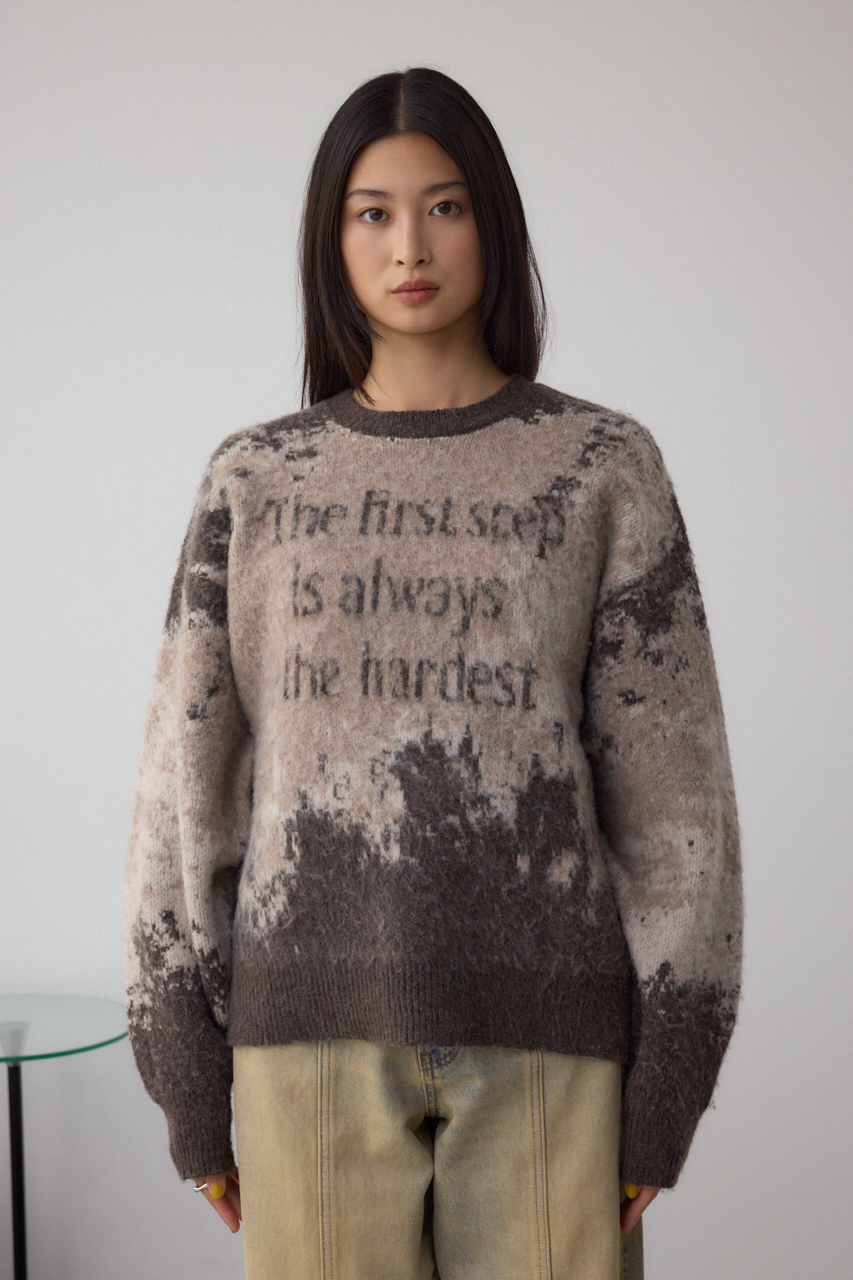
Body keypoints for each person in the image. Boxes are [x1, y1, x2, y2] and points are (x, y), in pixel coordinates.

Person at [124, 67, 742, 1280]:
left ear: (492, 223)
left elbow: (679, 802)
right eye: (372, 212)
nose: (408, 245)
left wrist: (669, 1075)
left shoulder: (600, 466)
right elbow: (180, 787)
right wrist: (187, 1076)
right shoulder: (256, 481)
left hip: (551, 1047)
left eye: (444, 206)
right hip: (306, 1045)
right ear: (332, 240)